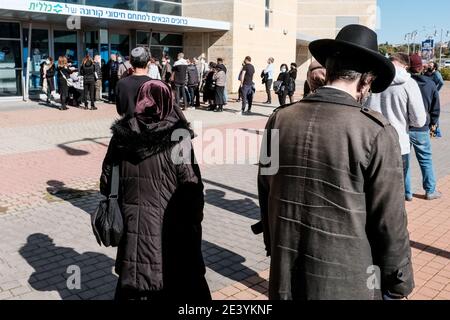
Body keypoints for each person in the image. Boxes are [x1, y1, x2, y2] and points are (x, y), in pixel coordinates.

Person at [258, 24, 414, 300]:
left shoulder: (279, 119)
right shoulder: (375, 131)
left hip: (285, 270)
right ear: (366, 81)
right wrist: (398, 280)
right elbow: (389, 220)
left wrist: (273, 242)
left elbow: (266, 187)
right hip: (347, 278)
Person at [100, 79, 210, 301]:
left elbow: (105, 182)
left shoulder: (120, 137)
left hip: (133, 233)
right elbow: (192, 191)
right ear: (169, 102)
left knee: (133, 287)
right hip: (171, 238)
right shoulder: (179, 140)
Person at [366, 52, 427, 201]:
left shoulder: (372, 80)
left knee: (370, 192)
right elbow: (419, 120)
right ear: (405, 66)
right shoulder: (409, 83)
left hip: (370, 143)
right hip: (399, 144)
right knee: (394, 198)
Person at [405, 54, 441, 201]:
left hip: (405, 127)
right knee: (426, 159)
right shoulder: (431, 84)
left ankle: (407, 193)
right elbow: (435, 107)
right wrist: (433, 122)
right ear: (421, 68)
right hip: (422, 128)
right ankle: (430, 191)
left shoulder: (403, 83)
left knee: (404, 160)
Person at [116, 47, 152, 117]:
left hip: (128, 124)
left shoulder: (121, 84)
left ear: (130, 62)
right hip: (148, 125)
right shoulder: (155, 84)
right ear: (149, 63)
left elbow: (120, 110)